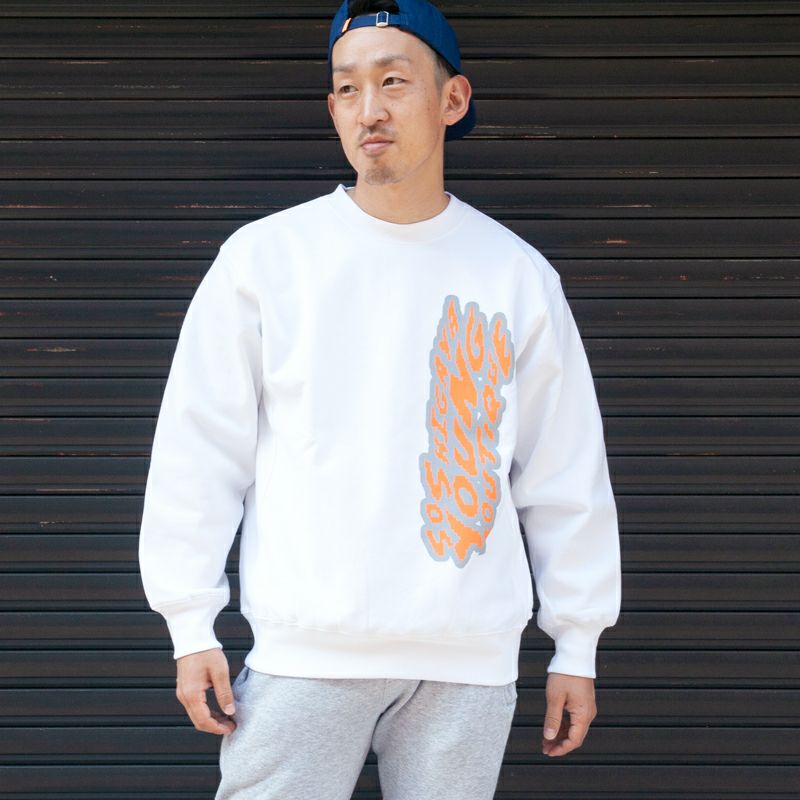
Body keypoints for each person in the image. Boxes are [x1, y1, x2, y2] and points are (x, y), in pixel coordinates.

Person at [137, 0, 622, 797]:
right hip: (306, 654)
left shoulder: (514, 274)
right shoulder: (267, 260)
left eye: (394, 81)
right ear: (332, 107)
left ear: (452, 99)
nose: (369, 109)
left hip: (467, 663)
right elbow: (199, 449)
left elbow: (564, 470)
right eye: (348, 87)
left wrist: (578, 642)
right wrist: (190, 625)